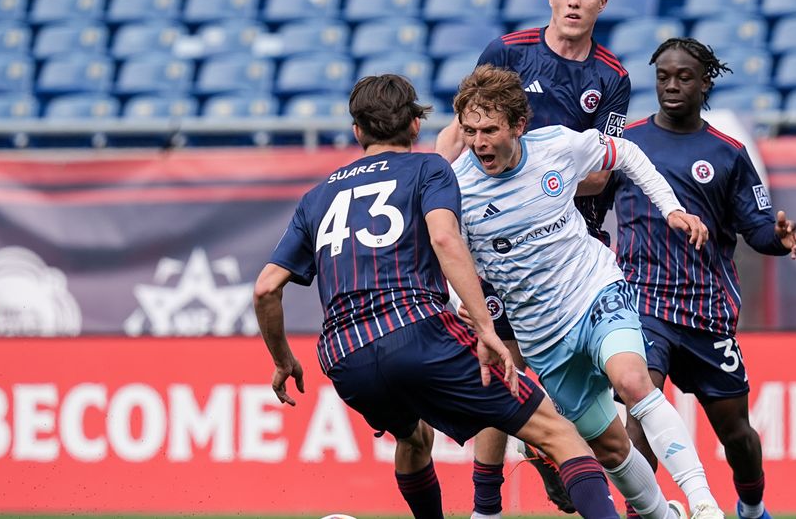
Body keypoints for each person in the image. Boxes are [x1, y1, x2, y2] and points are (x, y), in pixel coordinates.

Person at [254, 74, 621, 519]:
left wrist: (281, 359)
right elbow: (446, 240)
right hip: (415, 331)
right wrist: (485, 328)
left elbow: (266, 286)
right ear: (414, 126)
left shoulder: (316, 197)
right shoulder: (430, 169)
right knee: (560, 436)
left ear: (357, 132)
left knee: (413, 439)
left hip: (343, 355)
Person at [451, 65, 726, 519]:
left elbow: (628, 154)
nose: (479, 142)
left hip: (593, 291)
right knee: (611, 448)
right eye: (470, 131)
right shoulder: (458, 187)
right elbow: (448, 251)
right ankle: (665, 516)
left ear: (519, 126)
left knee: (633, 381)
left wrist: (673, 209)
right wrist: (461, 302)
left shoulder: (557, 145)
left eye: (490, 130)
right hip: (542, 335)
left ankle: (704, 503)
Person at [435, 0, 631, 517]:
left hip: (571, 244)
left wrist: (541, 182)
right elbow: (459, 132)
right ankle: (487, 505)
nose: (573, 1)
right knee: (503, 358)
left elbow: (603, 173)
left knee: (593, 369)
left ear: (602, 2)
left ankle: (556, 452)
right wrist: (428, 187)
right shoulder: (509, 51)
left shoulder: (611, 78)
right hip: (497, 240)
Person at [607, 38, 796, 519]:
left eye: (684, 77)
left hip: (705, 310)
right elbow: (590, 202)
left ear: (705, 83)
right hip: (641, 302)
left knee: (737, 434)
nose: (671, 86)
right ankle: (645, 513)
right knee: (641, 406)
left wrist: (778, 237)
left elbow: (756, 228)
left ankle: (752, 508)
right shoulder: (626, 143)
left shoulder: (728, 153)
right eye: (663, 77)